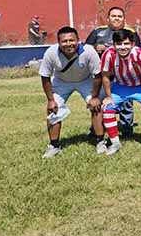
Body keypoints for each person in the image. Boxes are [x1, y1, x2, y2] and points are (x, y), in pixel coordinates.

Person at [39, 27, 103, 158]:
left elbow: (98, 75)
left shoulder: (89, 52)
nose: (68, 44)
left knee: (96, 106)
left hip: (85, 80)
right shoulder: (51, 53)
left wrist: (95, 97)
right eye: (64, 41)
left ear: (78, 40)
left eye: (71, 40)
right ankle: (54, 146)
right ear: (58, 42)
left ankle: (100, 142)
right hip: (62, 82)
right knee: (53, 108)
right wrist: (51, 100)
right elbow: (45, 77)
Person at [100, 29, 141, 154]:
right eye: (119, 44)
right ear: (113, 44)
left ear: (132, 44)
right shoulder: (108, 54)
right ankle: (115, 143)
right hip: (121, 86)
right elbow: (105, 76)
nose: (122, 47)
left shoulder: (140, 54)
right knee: (107, 108)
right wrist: (108, 97)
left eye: (126, 44)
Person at [86, 6, 141, 136]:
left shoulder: (131, 33)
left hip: (124, 75)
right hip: (102, 75)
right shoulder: (98, 32)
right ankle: (96, 129)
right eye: (113, 16)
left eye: (119, 16)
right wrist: (95, 47)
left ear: (124, 19)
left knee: (126, 102)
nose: (116, 19)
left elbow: (137, 52)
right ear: (108, 18)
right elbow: (86, 49)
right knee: (99, 101)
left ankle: (127, 129)